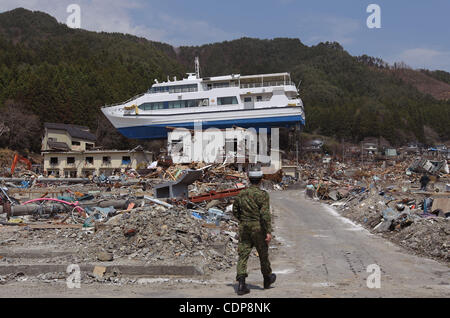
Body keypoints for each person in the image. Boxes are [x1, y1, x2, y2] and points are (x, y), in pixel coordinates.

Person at [232, 165, 276, 295]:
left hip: (244, 227)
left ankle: (241, 285)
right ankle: (267, 279)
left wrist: (243, 220)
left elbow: (235, 211)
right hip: (258, 228)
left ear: (249, 179)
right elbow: (265, 215)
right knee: (263, 254)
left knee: (243, 255)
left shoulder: (241, 194)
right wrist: (268, 231)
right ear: (261, 179)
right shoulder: (263, 195)